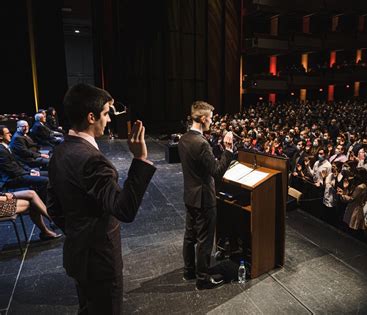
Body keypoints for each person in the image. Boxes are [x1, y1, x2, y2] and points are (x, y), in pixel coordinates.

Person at [47, 83, 156, 314]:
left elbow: (53, 207)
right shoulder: (92, 160)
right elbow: (124, 210)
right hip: (100, 262)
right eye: (106, 114)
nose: (108, 120)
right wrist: (140, 159)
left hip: (78, 255)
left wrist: (78, 231)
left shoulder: (60, 151)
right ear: (90, 116)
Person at [178, 101, 233, 290]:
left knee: (189, 236)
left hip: (189, 195)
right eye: (210, 117)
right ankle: (202, 279)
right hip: (204, 199)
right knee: (204, 240)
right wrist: (228, 150)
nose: (212, 121)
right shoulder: (201, 143)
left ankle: (189, 271)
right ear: (202, 118)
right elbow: (217, 171)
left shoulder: (184, 138)